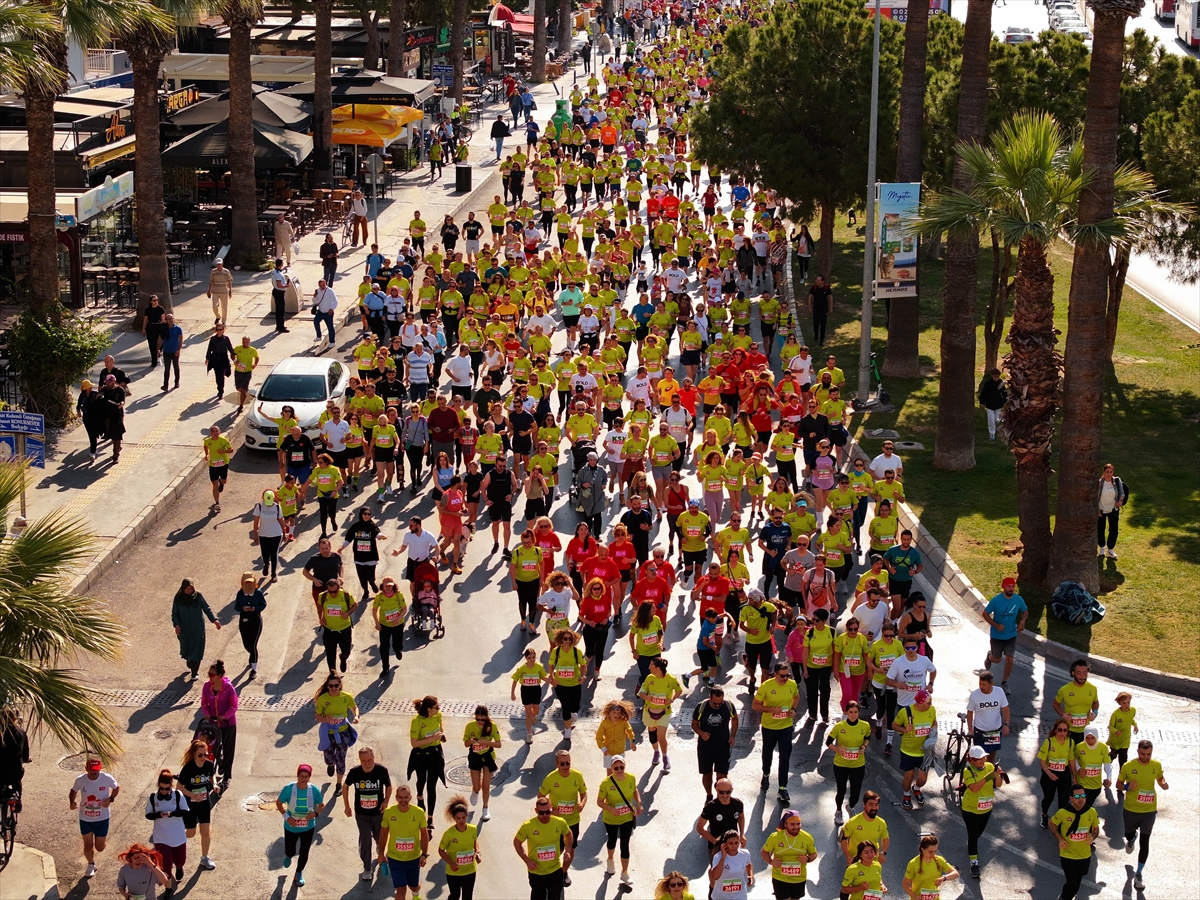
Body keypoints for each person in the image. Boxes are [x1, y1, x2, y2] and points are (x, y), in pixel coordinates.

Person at [1117, 739, 1168, 892]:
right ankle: (1131, 838)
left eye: (1148, 754)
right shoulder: (1128, 766)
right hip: (1131, 809)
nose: (1145, 757)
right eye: (1142, 754)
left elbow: (1160, 777)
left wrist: (1163, 783)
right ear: (1137, 751)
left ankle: (1139, 873)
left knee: (1145, 842)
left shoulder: (1156, 765)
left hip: (1149, 810)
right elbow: (1118, 785)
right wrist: (1127, 786)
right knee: (1128, 834)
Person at [752, 662, 799, 805]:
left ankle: (782, 788)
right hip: (769, 727)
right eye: (782, 676)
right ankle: (766, 773)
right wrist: (772, 710)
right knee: (767, 753)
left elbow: (796, 698)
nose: (785, 678)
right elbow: (755, 705)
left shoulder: (792, 685)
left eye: (787, 675)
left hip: (786, 726)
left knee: (785, 757)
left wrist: (794, 710)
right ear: (775, 674)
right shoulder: (766, 686)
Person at [343, 745, 392, 882]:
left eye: (370, 760)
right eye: (364, 761)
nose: (367, 763)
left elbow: (388, 786)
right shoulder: (355, 772)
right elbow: (345, 786)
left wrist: (386, 802)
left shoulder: (381, 771)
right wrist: (347, 806)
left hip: (378, 813)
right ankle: (367, 868)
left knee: (378, 836)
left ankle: (379, 848)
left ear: (373, 758)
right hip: (362, 814)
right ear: (360, 760)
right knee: (365, 840)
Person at [514, 796, 573, 900]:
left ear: (551, 809)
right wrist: (527, 860)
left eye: (548, 811)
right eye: (541, 813)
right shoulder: (528, 826)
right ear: (536, 811)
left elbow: (568, 834)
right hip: (537, 872)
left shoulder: (559, 822)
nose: (545, 815)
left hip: (555, 870)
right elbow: (517, 842)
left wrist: (568, 850)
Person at [71, 754, 121, 878]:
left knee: (99, 848)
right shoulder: (80, 780)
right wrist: (72, 802)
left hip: (102, 818)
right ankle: (91, 865)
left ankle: (102, 842)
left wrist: (110, 799)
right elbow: (73, 791)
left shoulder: (106, 778)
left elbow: (116, 788)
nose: (93, 774)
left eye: (96, 772)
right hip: (85, 818)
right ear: (86, 769)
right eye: (91, 771)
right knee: (88, 844)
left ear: (100, 769)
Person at [959, 744, 1005, 879]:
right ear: (971, 760)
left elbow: (998, 785)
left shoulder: (990, 767)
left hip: (986, 809)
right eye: (978, 759)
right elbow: (974, 788)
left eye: (983, 758)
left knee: (977, 834)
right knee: (973, 837)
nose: (982, 761)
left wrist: (997, 775)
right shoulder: (968, 771)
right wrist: (988, 777)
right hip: (970, 810)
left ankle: (971, 846)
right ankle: (974, 863)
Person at [276, 764, 324, 887]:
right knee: (290, 849)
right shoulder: (288, 789)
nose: (303, 779)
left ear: (309, 777)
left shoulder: (314, 790)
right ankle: (288, 855)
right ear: (297, 776)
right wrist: (287, 818)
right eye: (301, 776)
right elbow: (279, 803)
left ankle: (298, 873)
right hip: (291, 826)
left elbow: (321, 805)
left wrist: (315, 814)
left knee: (304, 851)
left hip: (308, 827)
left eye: (306, 776)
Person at [378, 784, 429, 900]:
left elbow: (424, 834)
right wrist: (381, 854)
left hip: (413, 858)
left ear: (411, 797)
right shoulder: (389, 812)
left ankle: (416, 892)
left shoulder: (419, 812)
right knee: (401, 890)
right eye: (400, 797)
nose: (403, 800)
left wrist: (424, 854)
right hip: (395, 858)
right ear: (396, 798)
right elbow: (384, 833)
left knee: (413, 886)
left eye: (406, 797)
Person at [596, 755, 641, 884]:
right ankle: (610, 860)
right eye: (616, 768)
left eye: (621, 767)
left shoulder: (631, 778)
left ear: (625, 766)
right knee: (612, 840)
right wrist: (610, 809)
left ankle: (625, 872)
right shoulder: (606, 783)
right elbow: (599, 802)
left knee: (625, 844)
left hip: (627, 817)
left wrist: (639, 803)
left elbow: (635, 790)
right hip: (611, 819)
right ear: (612, 768)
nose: (619, 769)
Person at [827, 700, 872, 826]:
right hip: (841, 764)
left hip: (857, 764)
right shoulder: (839, 727)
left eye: (856, 712)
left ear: (859, 712)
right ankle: (838, 811)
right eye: (851, 712)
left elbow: (867, 737)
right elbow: (828, 742)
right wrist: (837, 750)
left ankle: (851, 806)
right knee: (841, 790)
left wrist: (864, 746)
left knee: (856, 792)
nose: (853, 715)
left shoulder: (865, 726)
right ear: (846, 712)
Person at [1050, 785, 1100, 900]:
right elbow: (1052, 823)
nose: (1081, 799)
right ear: (1071, 798)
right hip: (1067, 853)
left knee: (1077, 882)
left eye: (1083, 796)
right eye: (1077, 796)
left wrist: (1092, 837)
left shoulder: (1091, 812)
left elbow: (1096, 829)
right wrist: (1060, 839)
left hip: (1084, 854)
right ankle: (1062, 897)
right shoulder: (1063, 812)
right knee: (1072, 881)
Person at [144, 768, 189, 890]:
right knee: (165, 864)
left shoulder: (178, 795)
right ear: (158, 785)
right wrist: (157, 815)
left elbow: (185, 811)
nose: (164, 791)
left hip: (178, 835)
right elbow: (148, 814)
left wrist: (172, 813)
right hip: (161, 837)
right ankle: (168, 889)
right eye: (161, 788)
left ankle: (179, 867)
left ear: (171, 786)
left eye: (167, 789)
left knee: (180, 860)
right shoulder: (153, 797)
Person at [692, 687, 739, 803]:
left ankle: (720, 798)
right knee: (707, 775)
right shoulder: (701, 707)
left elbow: (735, 719)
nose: (718, 705)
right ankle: (709, 795)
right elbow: (694, 724)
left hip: (723, 746)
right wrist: (701, 733)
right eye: (715, 703)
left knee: (722, 777)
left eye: (720, 703)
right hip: (705, 747)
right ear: (710, 697)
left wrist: (732, 735)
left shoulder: (728, 705)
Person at [315, 672, 359, 795]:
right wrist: (325, 719)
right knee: (329, 758)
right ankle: (331, 764)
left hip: (343, 732)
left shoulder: (346, 697)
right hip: (328, 732)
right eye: (331, 686)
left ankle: (339, 784)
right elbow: (317, 716)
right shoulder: (323, 699)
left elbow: (354, 707)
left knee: (341, 759)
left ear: (340, 685)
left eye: (336, 685)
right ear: (327, 686)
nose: (333, 688)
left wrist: (356, 716)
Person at [892, 689, 936, 810]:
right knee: (909, 775)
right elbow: (894, 725)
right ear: (920, 703)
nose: (931, 705)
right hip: (908, 751)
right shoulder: (905, 712)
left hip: (925, 751)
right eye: (928, 702)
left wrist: (933, 732)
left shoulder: (931, 710)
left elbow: (934, 723)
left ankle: (916, 789)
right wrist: (905, 729)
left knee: (922, 778)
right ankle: (906, 795)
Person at [408, 696, 447, 833]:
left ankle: (430, 818)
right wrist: (431, 738)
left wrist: (442, 736)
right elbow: (414, 743)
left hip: (435, 753)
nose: (439, 709)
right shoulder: (417, 721)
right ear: (429, 709)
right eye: (436, 707)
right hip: (421, 754)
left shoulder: (438, 716)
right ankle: (419, 796)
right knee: (421, 781)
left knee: (432, 786)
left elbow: (441, 728)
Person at [760, 809, 818, 900]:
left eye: (798, 824)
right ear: (785, 824)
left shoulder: (807, 837)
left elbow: (814, 854)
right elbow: (764, 852)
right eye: (792, 824)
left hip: (799, 879)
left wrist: (807, 859)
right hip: (780, 878)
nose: (796, 827)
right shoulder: (775, 837)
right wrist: (771, 862)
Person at [638, 656, 682, 771]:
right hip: (649, 711)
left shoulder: (671, 679)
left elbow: (679, 691)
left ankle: (665, 757)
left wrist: (672, 699)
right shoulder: (649, 678)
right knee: (653, 737)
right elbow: (641, 693)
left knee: (661, 737)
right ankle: (656, 752)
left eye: (651, 665)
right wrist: (647, 697)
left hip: (664, 712)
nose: (649, 667)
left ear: (657, 668)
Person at [981, 577, 1027, 688]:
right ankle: (989, 656)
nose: (1011, 589)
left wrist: (1022, 621)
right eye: (1008, 586)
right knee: (997, 659)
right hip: (997, 636)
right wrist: (996, 625)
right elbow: (985, 614)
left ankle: (1005, 682)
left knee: (1009, 658)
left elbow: (1025, 611)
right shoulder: (996, 601)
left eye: (1013, 586)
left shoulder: (1018, 599)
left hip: (1011, 635)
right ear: (1004, 587)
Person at [171, 579, 220, 679]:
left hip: (198, 628)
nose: (189, 590)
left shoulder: (198, 597)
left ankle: (195, 672)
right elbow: (175, 613)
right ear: (183, 588)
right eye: (187, 588)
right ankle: (189, 661)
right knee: (186, 649)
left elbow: (207, 609)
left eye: (191, 588)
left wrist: (214, 620)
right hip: (184, 630)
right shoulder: (178, 599)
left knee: (197, 649)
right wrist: (177, 625)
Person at [200, 660, 237, 787]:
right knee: (212, 748)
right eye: (209, 674)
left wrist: (224, 716)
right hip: (213, 724)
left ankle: (226, 775)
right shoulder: (206, 687)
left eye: (212, 675)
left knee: (228, 749)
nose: (209, 677)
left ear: (220, 676)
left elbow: (233, 706)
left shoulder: (229, 688)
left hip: (227, 724)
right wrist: (206, 713)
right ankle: (214, 769)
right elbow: (204, 703)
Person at [439, 795, 481, 900]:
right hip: (454, 872)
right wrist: (451, 863)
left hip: (470, 870)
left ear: (467, 816)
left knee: (468, 896)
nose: (461, 820)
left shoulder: (473, 829)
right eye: (458, 818)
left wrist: (478, 852)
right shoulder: (449, 834)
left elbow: (475, 841)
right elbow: (441, 850)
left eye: (463, 817)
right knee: (455, 896)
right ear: (454, 819)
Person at [1038, 718, 1077, 827]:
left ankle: (1061, 820)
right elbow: (1042, 760)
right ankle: (1044, 815)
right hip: (1049, 774)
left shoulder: (1070, 742)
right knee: (1048, 798)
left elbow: (1071, 760)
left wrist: (1074, 776)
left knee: (1064, 800)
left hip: (1064, 774)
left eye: (1065, 730)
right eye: (1060, 730)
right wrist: (1049, 773)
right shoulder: (1049, 742)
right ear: (1055, 730)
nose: (1062, 733)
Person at [464, 705, 500, 822]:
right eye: (478, 719)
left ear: (486, 718)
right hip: (475, 756)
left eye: (483, 720)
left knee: (486, 785)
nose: (480, 722)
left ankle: (485, 808)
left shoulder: (492, 726)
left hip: (487, 757)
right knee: (476, 786)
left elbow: (499, 744)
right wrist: (473, 741)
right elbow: (466, 743)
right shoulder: (470, 726)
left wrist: (486, 742)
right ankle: (475, 792)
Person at [342, 506, 388, 600]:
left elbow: (377, 533)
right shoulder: (355, 526)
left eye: (368, 514)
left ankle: (372, 583)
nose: (366, 516)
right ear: (361, 514)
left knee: (370, 576)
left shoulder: (372, 525)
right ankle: (365, 591)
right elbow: (348, 539)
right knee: (362, 577)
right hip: (359, 557)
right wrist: (341, 548)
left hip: (371, 556)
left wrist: (381, 536)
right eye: (365, 514)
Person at [548, 630, 585, 739]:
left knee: (575, 707)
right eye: (565, 639)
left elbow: (583, 666)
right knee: (565, 706)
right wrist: (552, 678)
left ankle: (573, 712)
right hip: (561, 684)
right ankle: (567, 729)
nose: (568, 641)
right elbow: (550, 665)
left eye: (570, 639)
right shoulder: (556, 651)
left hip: (574, 684)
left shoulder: (576, 652)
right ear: (561, 640)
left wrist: (583, 677)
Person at [965, 672, 1009, 762]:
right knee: (981, 759)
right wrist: (970, 730)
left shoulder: (999, 692)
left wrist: (1006, 724)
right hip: (980, 732)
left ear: (991, 683)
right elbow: (970, 712)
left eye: (984, 684)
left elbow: (1005, 709)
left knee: (991, 757)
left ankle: (989, 774)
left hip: (995, 731)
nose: (981, 687)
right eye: (980, 684)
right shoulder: (974, 695)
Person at [1053, 659, 1099, 744]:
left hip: (1085, 731)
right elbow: (1056, 704)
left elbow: (1095, 702)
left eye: (1085, 673)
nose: (1082, 676)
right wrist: (1063, 714)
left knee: (1083, 756)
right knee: (1069, 756)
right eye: (1079, 673)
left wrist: (1095, 713)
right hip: (1069, 730)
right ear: (1073, 673)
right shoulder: (1065, 690)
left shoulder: (1092, 689)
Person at [317, 577, 357, 672]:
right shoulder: (323, 596)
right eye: (330, 592)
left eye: (335, 591)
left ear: (339, 588)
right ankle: (333, 673)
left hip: (344, 629)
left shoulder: (346, 595)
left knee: (346, 651)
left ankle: (343, 658)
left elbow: (355, 605)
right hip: (329, 630)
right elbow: (319, 606)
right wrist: (320, 617)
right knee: (330, 654)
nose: (333, 594)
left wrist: (347, 613)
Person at [839, 790, 889, 865]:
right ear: (864, 805)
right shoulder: (853, 822)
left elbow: (886, 839)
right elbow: (843, 839)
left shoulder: (881, 823)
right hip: (856, 863)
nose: (874, 808)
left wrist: (883, 852)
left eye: (876, 805)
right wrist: (848, 856)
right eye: (871, 804)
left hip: (873, 863)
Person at [901, 834, 958, 900]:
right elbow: (905, 884)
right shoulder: (913, 864)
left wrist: (943, 878)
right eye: (930, 852)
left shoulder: (940, 860)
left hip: (934, 898)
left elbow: (955, 873)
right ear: (922, 849)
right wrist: (915, 896)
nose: (933, 854)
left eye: (935, 851)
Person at [232, 574, 266, 678]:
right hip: (244, 619)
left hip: (255, 619)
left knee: (253, 644)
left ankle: (254, 670)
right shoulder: (240, 593)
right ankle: (252, 656)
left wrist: (254, 608)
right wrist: (243, 608)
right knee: (246, 644)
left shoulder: (258, 593)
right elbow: (236, 607)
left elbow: (263, 604)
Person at [373, 577, 408, 676]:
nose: (388, 588)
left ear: (393, 586)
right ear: (382, 586)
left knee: (397, 644)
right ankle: (385, 668)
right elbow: (374, 610)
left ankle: (397, 650)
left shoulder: (398, 595)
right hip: (384, 625)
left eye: (390, 586)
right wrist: (377, 622)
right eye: (386, 586)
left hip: (397, 625)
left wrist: (398, 619)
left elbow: (404, 609)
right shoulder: (379, 596)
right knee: (384, 647)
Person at [708, 830, 753, 900]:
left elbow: (748, 864)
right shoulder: (718, 857)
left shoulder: (745, 854)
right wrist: (723, 857)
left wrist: (750, 875)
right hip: (721, 896)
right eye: (731, 843)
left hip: (739, 895)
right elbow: (716, 876)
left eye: (736, 843)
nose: (734, 846)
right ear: (725, 844)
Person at [1097, 463, 1129, 559]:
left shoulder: (1117, 481)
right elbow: (1094, 496)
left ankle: (1110, 549)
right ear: (1104, 472)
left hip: (1113, 510)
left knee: (1114, 530)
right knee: (1100, 529)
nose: (1109, 474)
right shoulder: (1099, 482)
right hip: (1101, 510)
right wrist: (1096, 509)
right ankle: (1102, 548)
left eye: (1111, 472)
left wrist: (1120, 501)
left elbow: (1122, 493)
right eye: (1107, 472)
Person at [252, 490, 284, 583]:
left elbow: (280, 520)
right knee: (265, 553)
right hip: (263, 534)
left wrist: (284, 532)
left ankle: (273, 574)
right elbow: (256, 521)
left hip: (276, 534)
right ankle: (266, 564)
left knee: (274, 554)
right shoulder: (259, 506)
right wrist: (255, 534)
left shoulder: (277, 507)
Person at [202, 424, 232, 513]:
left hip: (223, 465)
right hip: (213, 466)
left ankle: (221, 483)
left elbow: (231, 450)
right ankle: (217, 503)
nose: (215, 433)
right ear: (210, 433)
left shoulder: (223, 440)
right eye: (213, 431)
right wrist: (207, 454)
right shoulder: (207, 441)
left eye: (216, 431)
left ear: (219, 432)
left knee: (224, 481)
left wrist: (223, 451)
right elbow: (205, 446)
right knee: (214, 485)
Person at [204, 321, 234, 400]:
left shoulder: (226, 339)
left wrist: (235, 356)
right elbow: (209, 349)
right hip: (215, 359)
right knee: (218, 376)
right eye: (218, 329)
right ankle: (219, 389)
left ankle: (221, 391)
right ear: (216, 330)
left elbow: (230, 349)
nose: (219, 331)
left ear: (223, 330)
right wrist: (207, 358)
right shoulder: (213, 339)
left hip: (223, 359)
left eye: (221, 329)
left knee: (221, 375)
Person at [977, 368, 1006, 441]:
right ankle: (992, 434)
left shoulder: (1001, 383)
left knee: (997, 419)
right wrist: (982, 402)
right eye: (994, 376)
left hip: (998, 404)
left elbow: (1004, 393)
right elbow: (984, 393)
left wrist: (1005, 402)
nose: (996, 378)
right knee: (991, 421)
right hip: (989, 404)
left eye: (997, 376)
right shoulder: (988, 383)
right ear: (992, 376)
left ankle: (995, 429)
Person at [160, 314, 183, 392]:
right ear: (166, 320)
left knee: (176, 367)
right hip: (166, 351)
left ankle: (177, 382)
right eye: (168, 319)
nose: (170, 320)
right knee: (167, 369)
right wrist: (158, 349)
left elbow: (180, 340)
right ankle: (165, 385)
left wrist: (178, 349)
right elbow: (160, 339)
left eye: (172, 318)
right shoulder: (164, 328)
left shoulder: (178, 328)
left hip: (174, 351)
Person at [207, 257, 233, 324]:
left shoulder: (226, 271)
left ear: (222, 264)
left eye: (220, 264)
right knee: (214, 306)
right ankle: (218, 316)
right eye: (218, 264)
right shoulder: (213, 271)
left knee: (224, 307)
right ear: (216, 265)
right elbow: (211, 281)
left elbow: (229, 281)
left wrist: (230, 291)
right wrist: (208, 290)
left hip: (224, 291)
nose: (219, 266)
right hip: (215, 291)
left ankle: (224, 322)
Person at [313, 277, 339, 343]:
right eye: (320, 285)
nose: (322, 287)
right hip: (320, 311)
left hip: (328, 313)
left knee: (330, 327)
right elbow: (315, 302)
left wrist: (332, 308)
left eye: (323, 285)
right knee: (316, 321)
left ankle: (332, 342)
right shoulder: (317, 291)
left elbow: (335, 301)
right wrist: (314, 297)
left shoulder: (330, 291)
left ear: (326, 284)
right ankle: (319, 336)